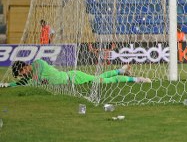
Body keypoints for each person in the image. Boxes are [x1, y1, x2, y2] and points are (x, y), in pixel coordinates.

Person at [4, 60, 150, 88]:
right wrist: (7, 85)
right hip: (72, 78)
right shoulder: (30, 75)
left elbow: (32, 83)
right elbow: (24, 82)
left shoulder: (38, 64)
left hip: (74, 78)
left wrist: (17, 84)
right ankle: (121, 70)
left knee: (103, 82)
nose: (23, 76)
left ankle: (137, 79)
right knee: (98, 78)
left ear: (24, 67)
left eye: (21, 73)